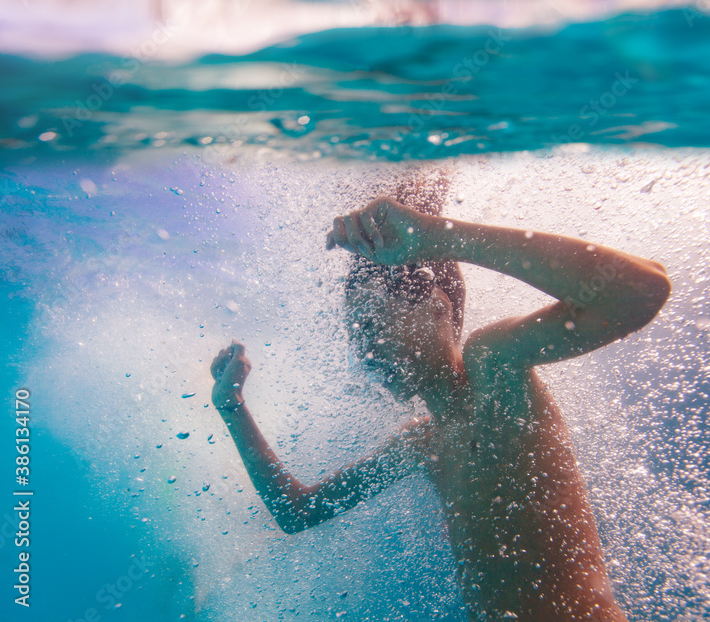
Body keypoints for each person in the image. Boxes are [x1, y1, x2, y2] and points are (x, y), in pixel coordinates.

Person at [211, 174, 670, 622]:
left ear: (438, 306)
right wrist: (232, 408)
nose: (364, 352)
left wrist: (437, 237)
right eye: (356, 336)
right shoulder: (424, 443)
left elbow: (641, 289)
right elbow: (297, 512)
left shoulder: (494, 368)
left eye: (370, 325)